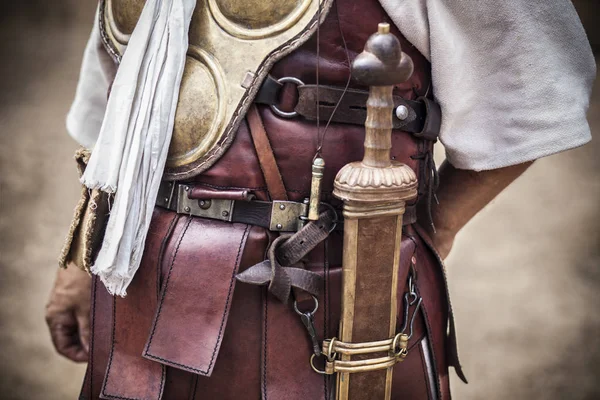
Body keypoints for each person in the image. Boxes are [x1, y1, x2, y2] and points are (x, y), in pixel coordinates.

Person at [45, 0, 595, 399]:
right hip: (135, 285)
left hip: (322, 297)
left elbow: (538, 92)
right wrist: (78, 263)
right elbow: (115, 121)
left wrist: (427, 233)